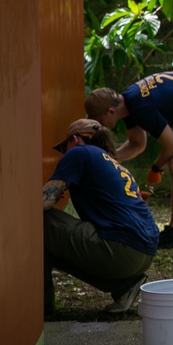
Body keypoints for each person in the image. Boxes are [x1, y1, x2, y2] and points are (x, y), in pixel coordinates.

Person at [85, 71, 173, 249]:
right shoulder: (129, 101)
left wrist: (156, 168)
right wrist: (109, 159)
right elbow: (137, 144)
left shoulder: (141, 107)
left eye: (100, 121)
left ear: (110, 111)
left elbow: (172, 145)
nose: (101, 126)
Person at [43, 118, 159, 316]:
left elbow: (43, 202)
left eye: (65, 147)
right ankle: (124, 286)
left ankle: (40, 309)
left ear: (75, 139)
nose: (65, 153)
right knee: (55, 245)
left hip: (119, 249)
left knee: (40, 223)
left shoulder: (79, 153)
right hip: (144, 252)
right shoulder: (111, 161)